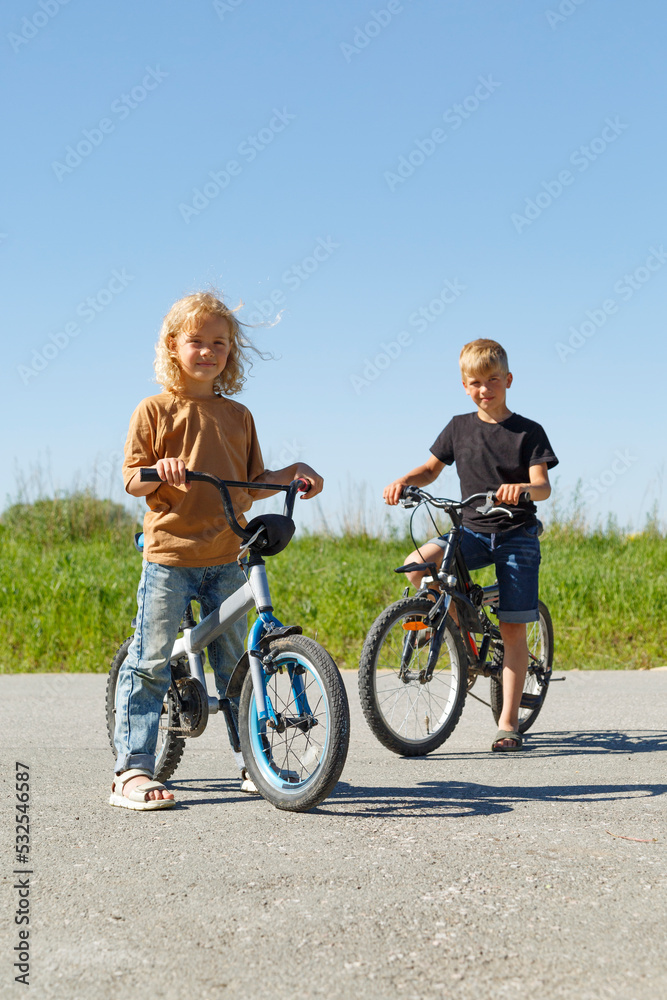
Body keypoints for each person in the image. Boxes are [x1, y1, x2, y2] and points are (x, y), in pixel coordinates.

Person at [110, 291, 323, 810]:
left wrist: (288, 474)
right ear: (173, 346)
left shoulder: (238, 415)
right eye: (197, 341)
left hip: (228, 552)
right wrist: (160, 470)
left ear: (232, 351)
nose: (208, 351)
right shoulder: (155, 409)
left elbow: (249, 483)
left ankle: (252, 761)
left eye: (219, 343)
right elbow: (131, 479)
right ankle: (132, 771)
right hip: (170, 556)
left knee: (235, 667)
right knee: (150, 662)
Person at [383, 339, 557, 751]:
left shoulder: (528, 432)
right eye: (475, 382)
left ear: (508, 380)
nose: (484, 389)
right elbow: (429, 469)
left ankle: (508, 723)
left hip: (516, 534)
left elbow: (544, 487)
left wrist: (522, 489)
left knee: (513, 627)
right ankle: (459, 635)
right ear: (464, 386)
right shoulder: (458, 427)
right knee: (416, 564)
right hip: (472, 531)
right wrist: (404, 481)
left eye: (493, 380)